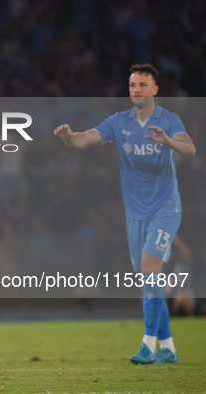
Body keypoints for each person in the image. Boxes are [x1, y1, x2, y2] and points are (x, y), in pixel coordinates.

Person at [54, 64, 196, 364]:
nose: (136, 90)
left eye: (143, 85)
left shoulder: (168, 120)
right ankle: (169, 347)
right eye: (133, 84)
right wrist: (68, 137)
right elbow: (82, 140)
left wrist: (168, 141)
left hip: (165, 208)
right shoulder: (119, 123)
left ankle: (148, 345)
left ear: (155, 89)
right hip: (135, 215)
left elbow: (190, 149)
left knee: (149, 269)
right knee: (149, 280)